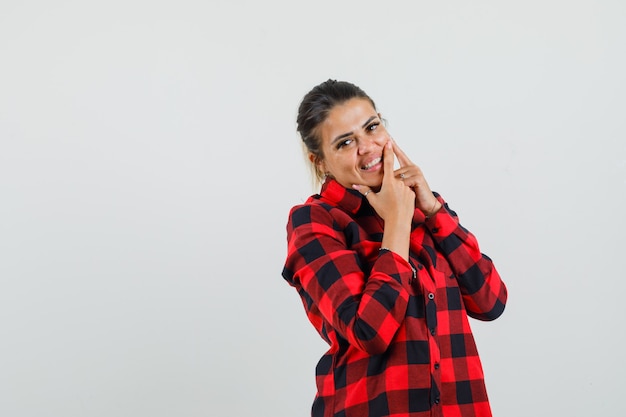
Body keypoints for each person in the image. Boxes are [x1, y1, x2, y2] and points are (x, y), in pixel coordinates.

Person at [281, 79, 507, 417]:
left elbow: (491, 301)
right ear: (321, 162)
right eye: (345, 142)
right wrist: (398, 223)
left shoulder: (423, 210)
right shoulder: (315, 222)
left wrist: (433, 210)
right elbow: (370, 332)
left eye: (372, 127)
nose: (368, 147)